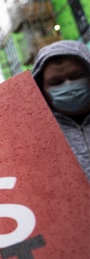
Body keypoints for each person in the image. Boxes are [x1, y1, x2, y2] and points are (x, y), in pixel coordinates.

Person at [32, 40, 90, 181]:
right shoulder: (36, 137)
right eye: (56, 82)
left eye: (75, 77)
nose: (68, 84)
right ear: (41, 88)